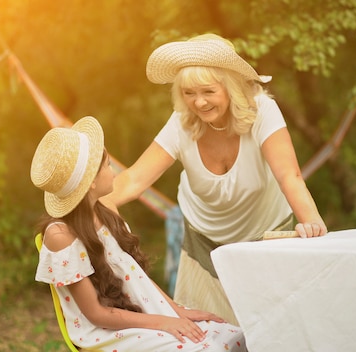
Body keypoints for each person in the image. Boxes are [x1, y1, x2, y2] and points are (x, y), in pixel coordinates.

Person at [103, 33, 328, 326]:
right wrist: (94, 201)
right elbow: (133, 179)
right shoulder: (181, 122)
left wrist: (312, 222)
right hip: (204, 247)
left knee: (274, 331)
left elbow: (290, 176)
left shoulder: (262, 111)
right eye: (188, 93)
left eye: (208, 91)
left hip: (266, 239)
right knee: (209, 333)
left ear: (231, 87)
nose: (198, 102)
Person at [30, 116, 246, 351]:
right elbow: (96, 314)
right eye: (107, 165)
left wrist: (176, 310)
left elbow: (135, 274)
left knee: (235, 337)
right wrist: (163, 322)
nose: (113, 173)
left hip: (144, 313)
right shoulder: (61, 236)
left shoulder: (105, 210)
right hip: (109, 332)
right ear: (90, 182)